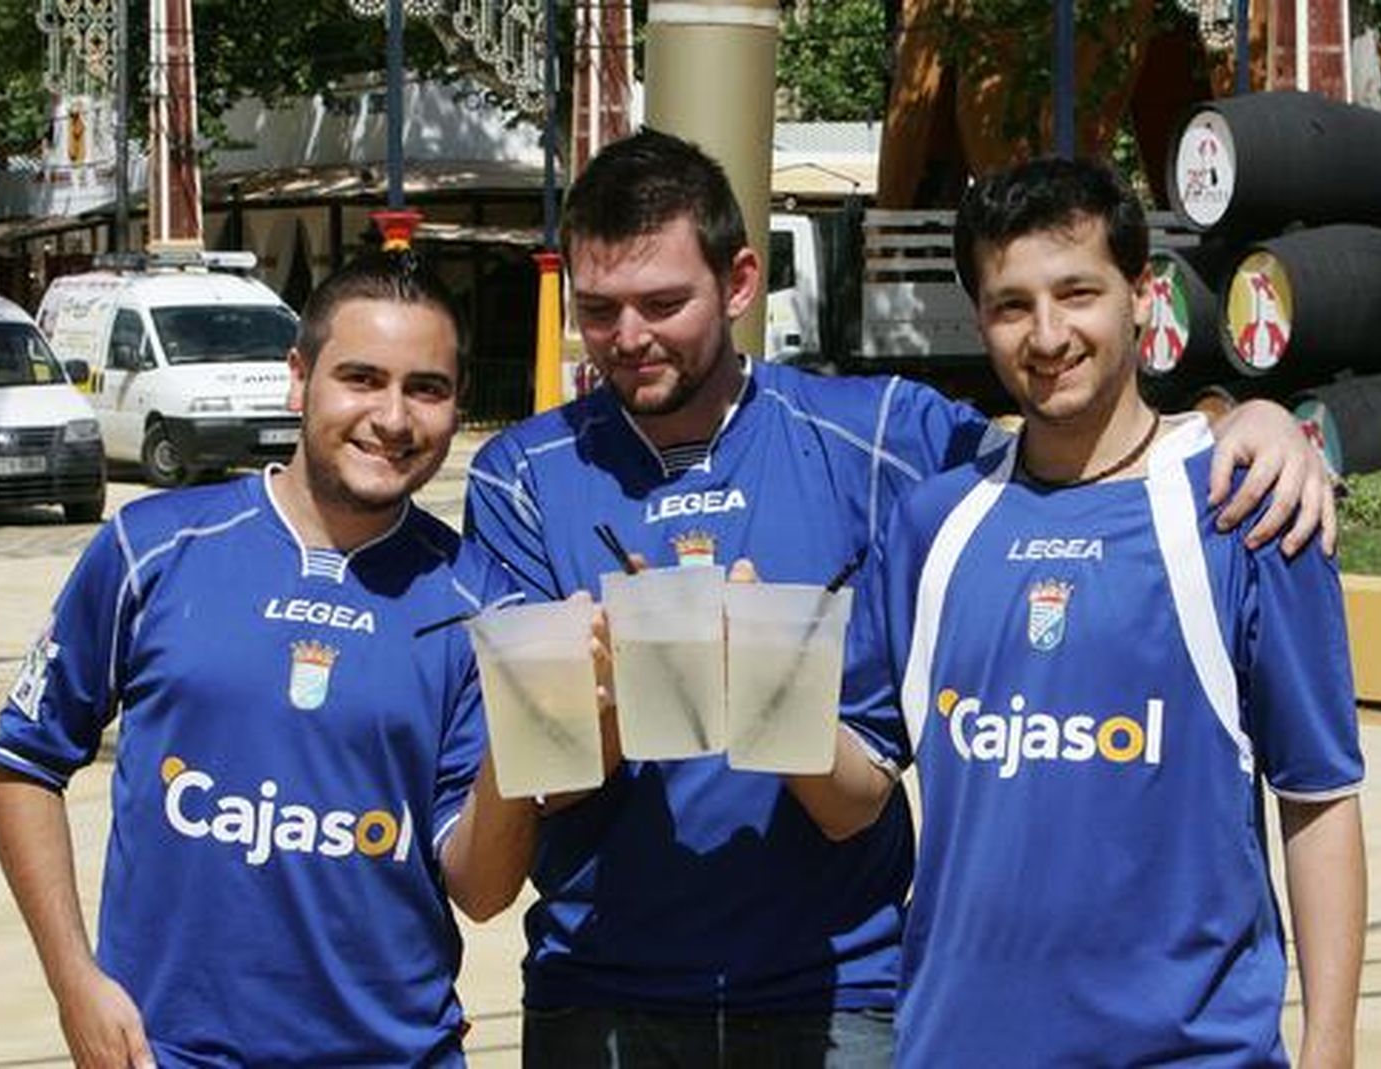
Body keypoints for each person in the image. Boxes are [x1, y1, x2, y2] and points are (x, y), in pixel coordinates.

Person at [463, 128, 1337, 1066]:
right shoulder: (523, 475)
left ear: (742, 282)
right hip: (601, 991)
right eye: (600, 310)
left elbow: (1074, 439)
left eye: (664, 303)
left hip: (839, 991)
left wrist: (1241, 419)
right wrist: (609, 692)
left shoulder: (882, 433)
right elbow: (525, 793)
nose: (630, 337)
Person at [792, 157, 1366, 1066]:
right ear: (980, 317)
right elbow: (852, 798)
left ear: (1141, 295)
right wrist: (765, 693)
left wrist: (1331, 1047)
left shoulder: (1248, 509)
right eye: (1011, 305)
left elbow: (1319, 799)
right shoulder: (932, 523)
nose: (1048, 334)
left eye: (1077, 293)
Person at [0, 254, 536, 1068]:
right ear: (298, 377)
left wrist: (535, 734)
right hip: (168, 1054)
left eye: (426, 388)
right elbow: (24, 768)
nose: (392, 417)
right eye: (361, 378)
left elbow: (482, 891)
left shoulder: (486, 604)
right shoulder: (152, 548)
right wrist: (75, 982)